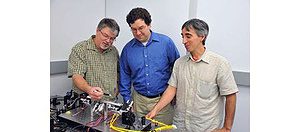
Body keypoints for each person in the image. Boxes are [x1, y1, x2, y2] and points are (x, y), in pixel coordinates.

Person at [146, 18, 239, 132]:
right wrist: (155, 110)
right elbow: (171, 89)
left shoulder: (219, 64)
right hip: (180, 126)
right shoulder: (179, 63)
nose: (184, 41)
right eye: (182, 36)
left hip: (206, 128)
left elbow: (230, 95)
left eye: (188, 36)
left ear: (202, 37)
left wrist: (227, 128)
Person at [119, 7, 180, 125]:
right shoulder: (127, 50)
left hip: (163, 102)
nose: (138, 33)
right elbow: (124, 76)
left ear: (149, 24)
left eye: (141, 28)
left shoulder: (166, 43)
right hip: (138, 102)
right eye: (133, 29)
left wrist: (174, 94)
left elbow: (177, 69)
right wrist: (127, 101)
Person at [67, 18, 120, 101]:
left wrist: (117, 90)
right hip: (87, 103)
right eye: (105, 36)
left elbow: (118, 73)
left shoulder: (113, 51)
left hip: (110, 103)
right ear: (97, 31)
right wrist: (89, 89)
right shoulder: (81, 49)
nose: (108, 41)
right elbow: (76, 76)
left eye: (112, 38)